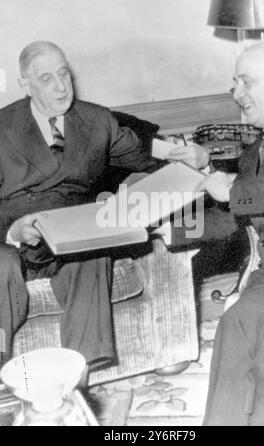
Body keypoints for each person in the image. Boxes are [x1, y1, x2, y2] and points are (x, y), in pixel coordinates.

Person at [0, 41, 207, 372]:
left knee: (94, 248)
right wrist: (13, 230)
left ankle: (81, 369)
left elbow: (140, 149)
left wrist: (184, 153)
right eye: (46, 79)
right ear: (25, 83)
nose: (60, 86)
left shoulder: (95, 120)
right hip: (13, 241)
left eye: (64, 74)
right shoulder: (2, 127)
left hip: (70, 237)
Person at [196, 40, 264, 426]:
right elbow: (242, 213)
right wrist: (162, 227)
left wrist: (233, 189)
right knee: (235, 323)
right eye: (234, 84)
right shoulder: (257, 147)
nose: (238, 94)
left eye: (247, 82)